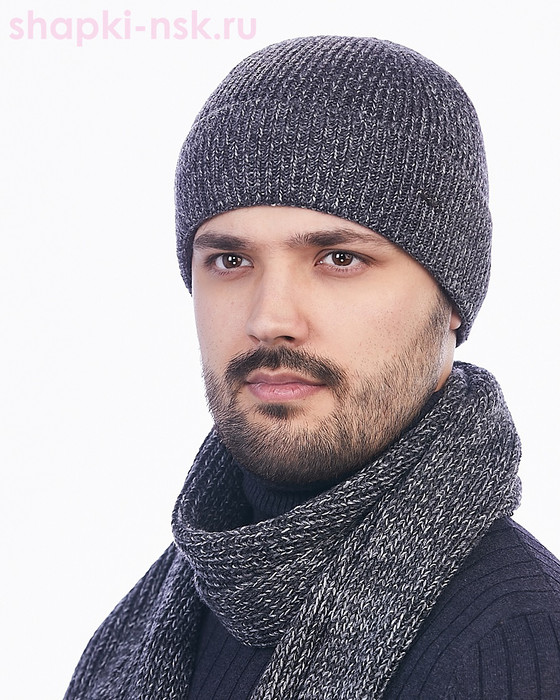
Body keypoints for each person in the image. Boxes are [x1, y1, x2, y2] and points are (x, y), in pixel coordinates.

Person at [64, 36, 560, 699]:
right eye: (230, 260)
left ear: (450, 302)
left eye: (339, 259)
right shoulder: (181, 596)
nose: (270, 318)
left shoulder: (509, 642)